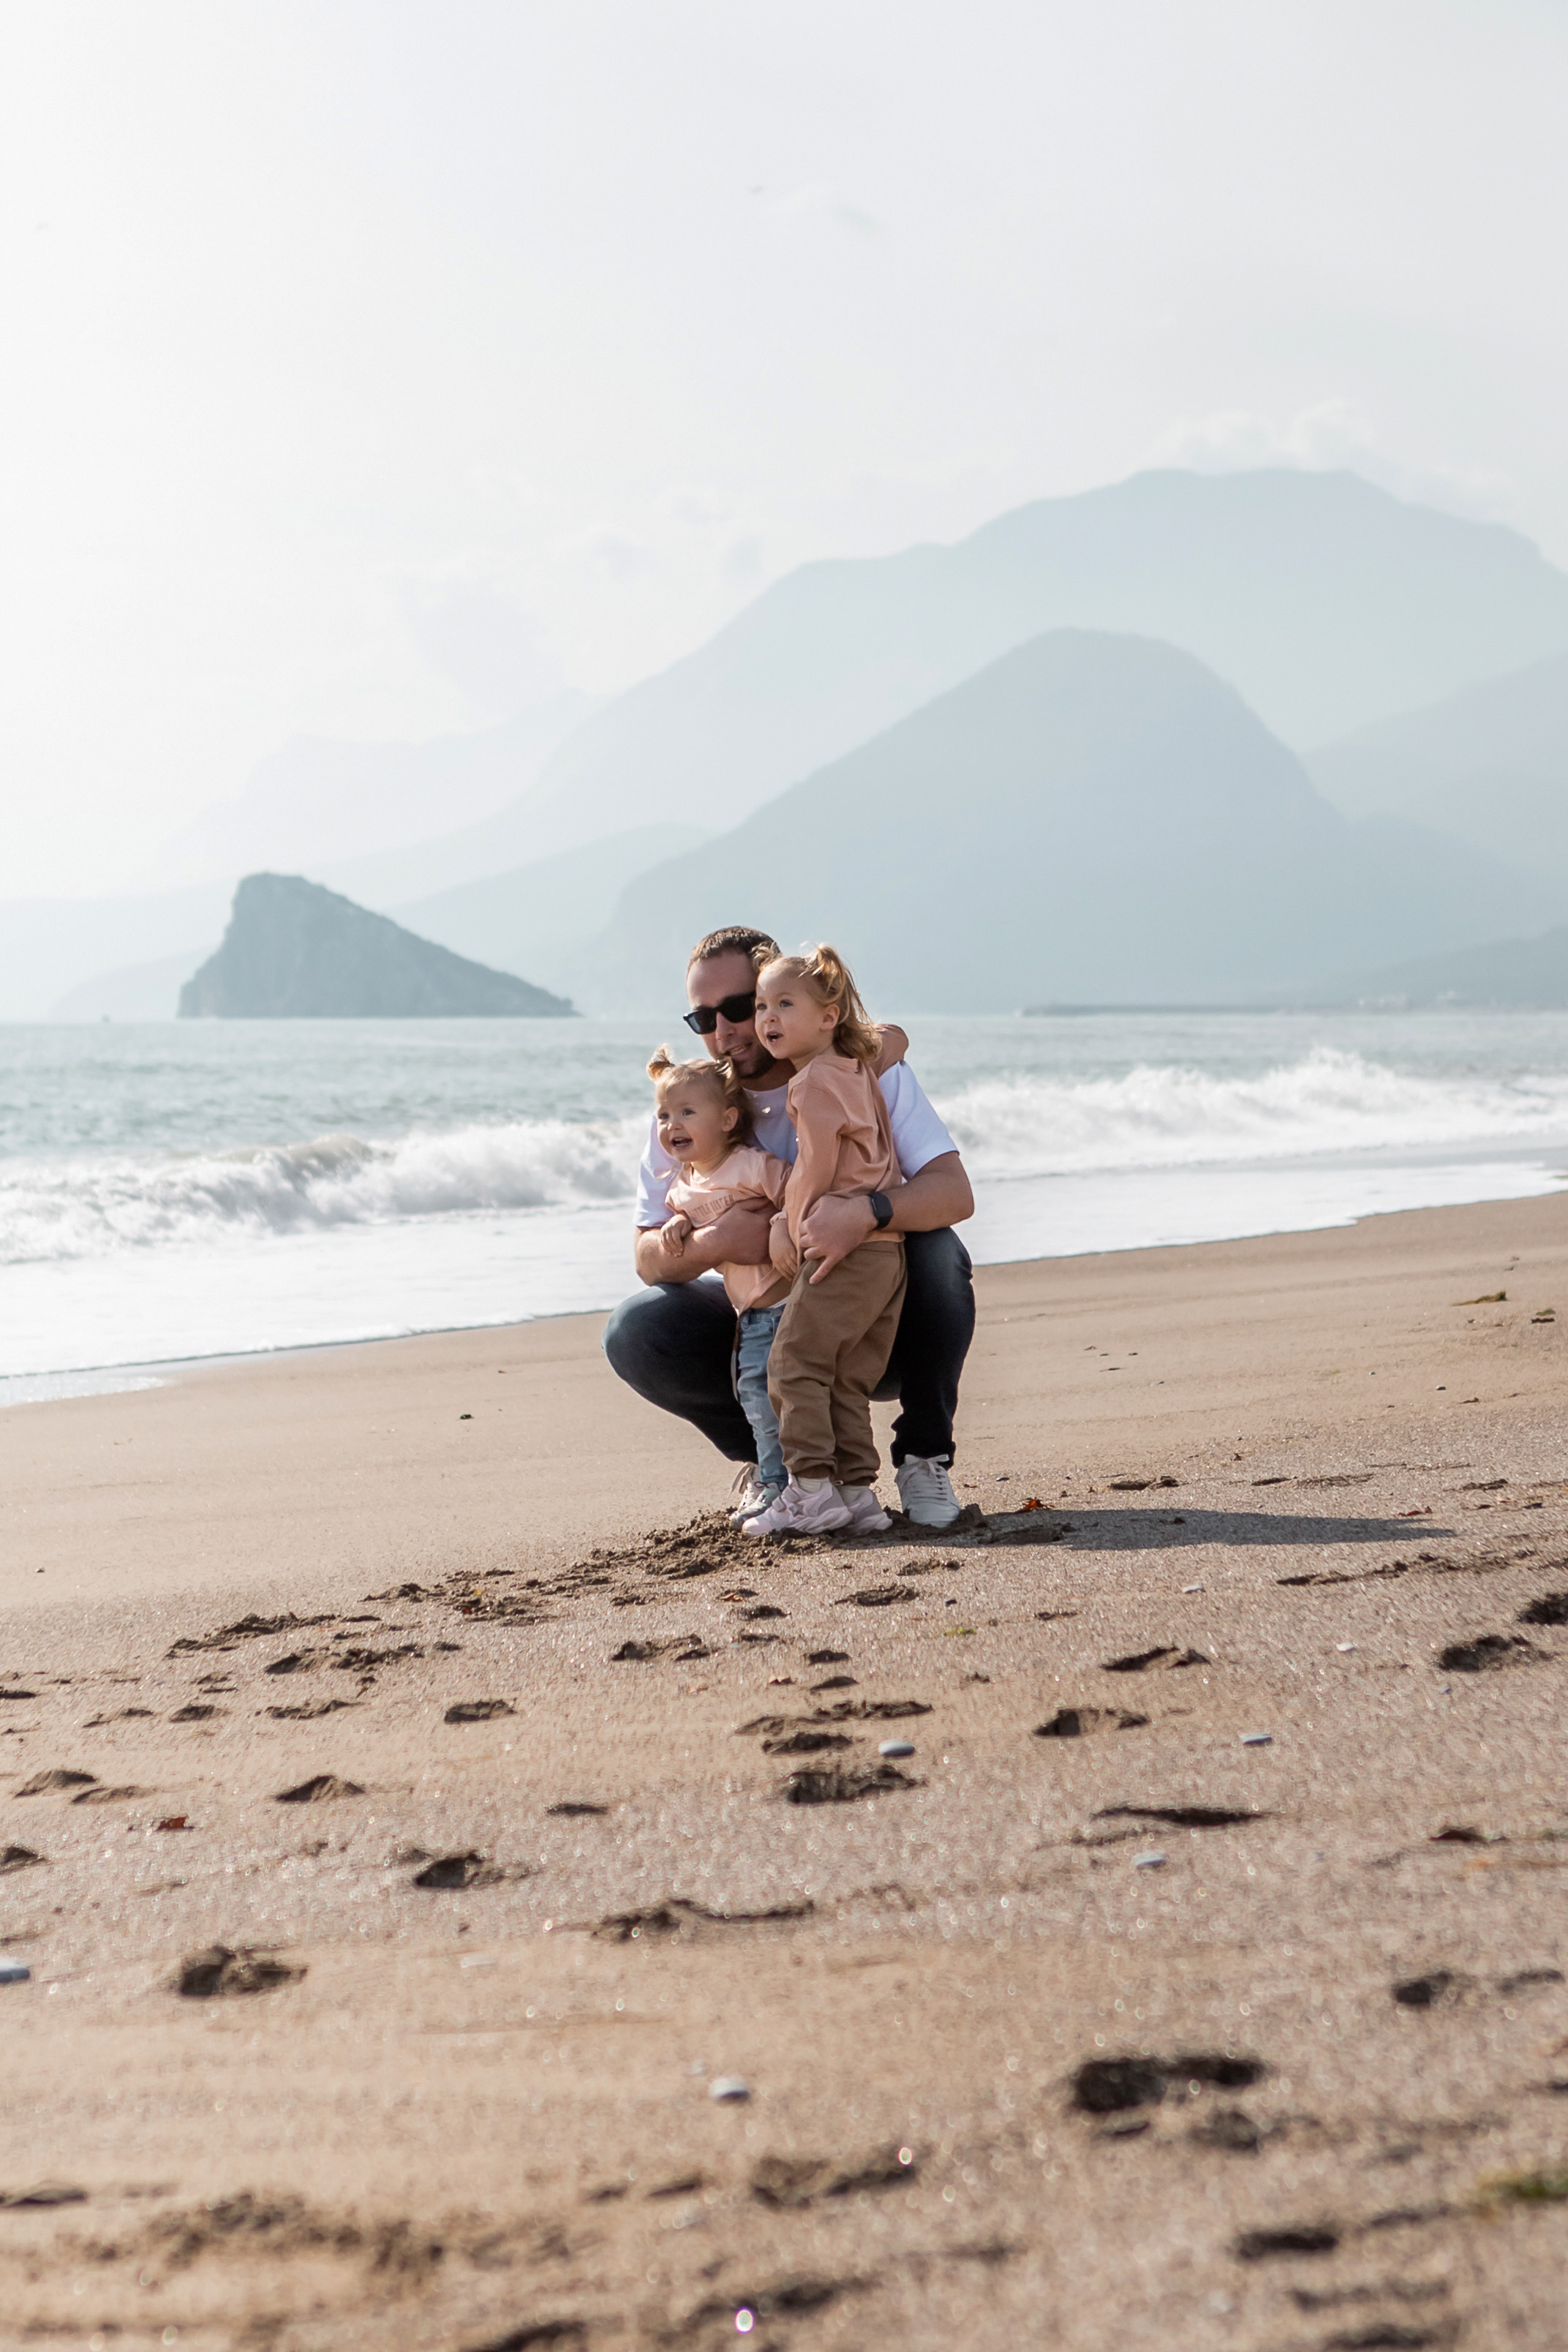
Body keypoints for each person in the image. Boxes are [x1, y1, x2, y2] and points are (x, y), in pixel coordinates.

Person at [602, 923, 976, 1526]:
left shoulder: (863, 1073)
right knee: (636, 1328)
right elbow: (646, 1257)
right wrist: (717, 1242)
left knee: (940, 1250)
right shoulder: (689, 1110)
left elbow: (953, 1193)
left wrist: (865, 1212)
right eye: (703, 1019)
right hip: (764, 1315)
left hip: (869, 1315)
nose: (724, 1032)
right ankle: (776, 1465)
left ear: (786, 997)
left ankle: (923, 1457)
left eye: (739, 1008)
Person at [742, 945, 905, 1538]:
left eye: (785, 1004)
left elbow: (813, 1167)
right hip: (886, 1250)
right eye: (762, 1006)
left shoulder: (810, 1085)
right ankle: (857, 1494)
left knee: (793, 1365)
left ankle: (810, 1489)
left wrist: (789, 1222)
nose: (768, 1019)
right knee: (845, 1377)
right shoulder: (855, 1066)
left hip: (843, 1248)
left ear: (829, 1016)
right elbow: (890, 1036)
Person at [647, 1044, 791, 1520]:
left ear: (728, 1120)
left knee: (787, 1394)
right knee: (754, 1393)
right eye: (665, 1114)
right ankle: (778, 1477)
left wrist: (778, 1226)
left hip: (786, 1302)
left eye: (688, 1112)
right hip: (748, 1315)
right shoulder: (684, 1186)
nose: (672, 1125)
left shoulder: (751, 1164)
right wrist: (679, 1227)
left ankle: (788, 1482)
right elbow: (680, 1219)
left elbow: (797, 1195)